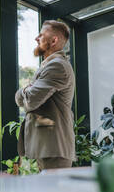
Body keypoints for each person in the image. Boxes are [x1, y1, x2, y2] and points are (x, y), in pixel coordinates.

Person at [15, 20, 76, 171]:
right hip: (48, 149)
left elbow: (30, 100)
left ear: (54, 40)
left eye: (41, 35)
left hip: (54, 150)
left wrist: (24, 91)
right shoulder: (49, 66)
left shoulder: (57, 66)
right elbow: (19, 99)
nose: (37, 38)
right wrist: (25, 92)